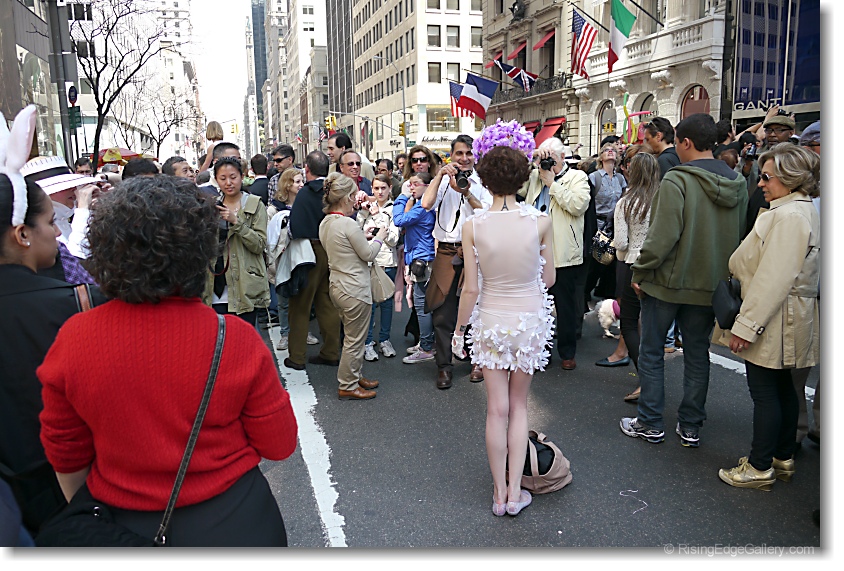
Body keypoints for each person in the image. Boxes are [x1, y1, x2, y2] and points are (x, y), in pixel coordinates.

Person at [37, 175, 297, 546]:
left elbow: (66, 454)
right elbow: (279, 444)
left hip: (123, 524)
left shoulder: (75, 337)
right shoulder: (234, 339)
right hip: (233, 519)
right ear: (198, 250)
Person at [621, 113, 748, 447]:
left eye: (677, 141)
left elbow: (661, 237)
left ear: (686, 142)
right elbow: (740, 236)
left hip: (667, 282)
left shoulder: (677, 179)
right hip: (711, 285)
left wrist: (640, 271)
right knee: (696, 354)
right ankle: (690, 425)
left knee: (651, 352)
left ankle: (650, 421)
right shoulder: (738, 182)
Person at [453, 145, 555, 517]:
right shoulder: (540, 221)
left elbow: (471, 289)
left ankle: (499, 496)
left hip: (491, 319)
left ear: (485, 178)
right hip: (528, 320)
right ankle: (515, 494)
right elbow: (549, 277)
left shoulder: (473, 225)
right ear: (522, 178)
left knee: (496, 410)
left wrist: (459, 330)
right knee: (518, 406)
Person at [714, 144, 820, 490]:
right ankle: (781, 457)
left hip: (775, 315)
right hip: (784, 313)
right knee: (783, 389)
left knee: (765, 393)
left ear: (789, 178)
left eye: (767, 177)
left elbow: (773, 278)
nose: (760, 183)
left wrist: (745, 327)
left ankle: (760, 466)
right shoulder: (797, 210)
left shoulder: (790, 216)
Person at [421, 135, 493, 388]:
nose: (464, 158)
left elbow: (487, 214)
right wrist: (440, 175)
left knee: (478, 309)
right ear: (451, 156)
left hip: (476, 251)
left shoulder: (484, 182)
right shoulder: (442, 180)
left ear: (476, 156)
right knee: (442, 311)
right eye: (459, 153)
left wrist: (467, 192)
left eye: (468, 153)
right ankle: (444, 366)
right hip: (446, 251)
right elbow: (426, 204)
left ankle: (477, 361)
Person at [518, 137, 590, 371]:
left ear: (562, 157)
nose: (547, 163)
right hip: (533, 252)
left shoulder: (577, 177)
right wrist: (531, 163)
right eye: (544, 158)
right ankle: (542, 351)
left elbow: (578, 205)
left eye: (551, 159)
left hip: (562, 254)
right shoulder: (535, 176)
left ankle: (567, 352)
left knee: (565, 306)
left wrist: (552, 183)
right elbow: (517, 191)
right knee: (537, 306)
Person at [319, 172, 387, 400]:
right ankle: (348, 384)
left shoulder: (327, 222)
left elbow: (343, 247)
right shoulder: (347, 223)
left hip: (338, 285)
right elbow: (368, 254)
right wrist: (380, 237)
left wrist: (362, 236)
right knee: (354, 340)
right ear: (347, 197)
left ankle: (354, 376)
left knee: (351, 336)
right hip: (355, 288)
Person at [284, 151, 341, 371]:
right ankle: (331, 351)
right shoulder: (333, 190)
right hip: (332, 250)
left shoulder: (305, 194)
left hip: (308, 251)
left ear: (307, 169)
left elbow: (295, 228)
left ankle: (297, 357)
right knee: (327, 302)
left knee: (300, 305)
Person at [611, 153, 661, 402]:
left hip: (633, 264)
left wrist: (622, 254)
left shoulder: (626, 202)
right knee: (655, 323)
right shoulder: (663, 199)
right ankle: (654, 378)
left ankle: (645, 379)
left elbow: (621, 242)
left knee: (629, 322)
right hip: (660, 265)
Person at [204, 157, 270, 327]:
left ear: (242, 176)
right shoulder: (212, 205)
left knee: (243, 337)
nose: (228, 183)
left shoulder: (255, 205)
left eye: (233, 177)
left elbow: (259, 245)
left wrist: (236, 222)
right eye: (223, 178)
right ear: (216, 180)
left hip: (244, 285)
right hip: (215, 283)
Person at [21, 156, 105, 283]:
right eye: (64, 186)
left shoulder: (65, 217)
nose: (74, 189)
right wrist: (82, 209)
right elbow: (74, 263)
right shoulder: (38, 227)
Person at [268, 168, 316, 351]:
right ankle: (285, 333)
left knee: (303, 297)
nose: (301, 184)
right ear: (287, 184)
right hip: (282, 257)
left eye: (302, 181)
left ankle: (303, 331)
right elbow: (269, 234)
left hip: (302, 257)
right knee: (283, 299)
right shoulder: (274, 209)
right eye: (297, 181)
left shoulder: (305, 205)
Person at [393, 173, 437, 365]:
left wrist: (402, 197)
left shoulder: (422, 207)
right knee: (424, 304)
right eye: (409, 184)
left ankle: (426, 347)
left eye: (415, 184)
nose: (411, 187)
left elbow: (399, 220)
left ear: (427, 186)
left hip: (422, 259)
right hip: (422, 257)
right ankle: (427, 343)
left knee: (421, 305)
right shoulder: (424, 204)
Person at [360, 174, 400, 361]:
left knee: (386, 303)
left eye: (383, 188)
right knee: (369, 304)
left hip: (387, 261)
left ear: (390, 188)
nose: (380, 192)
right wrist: (364, 212)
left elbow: (392, 239)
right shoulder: (367, 208)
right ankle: (367, 342)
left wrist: (377, 217)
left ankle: (385, 339)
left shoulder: (394, 209)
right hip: (368, 261)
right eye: (376, 188)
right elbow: (356, 231)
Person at [584, 144, 626, 303]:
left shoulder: (620, 179)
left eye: (613, 150)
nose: (610, 151)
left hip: (614, 225)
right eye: (606, 150)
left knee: (611, 263)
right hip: (598, 224)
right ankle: (584, 294)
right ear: (600, 157)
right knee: (594, 263)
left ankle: (607, 296)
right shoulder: (594, 177)